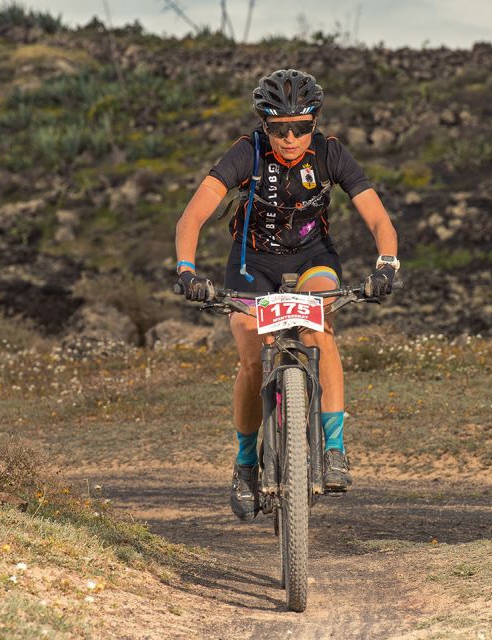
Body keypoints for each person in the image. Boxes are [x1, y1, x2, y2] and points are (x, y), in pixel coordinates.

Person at [173, 69, 399, 520]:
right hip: (251, 262)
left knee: (321, 329)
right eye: (279, 128)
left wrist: (386, 264)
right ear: (265, 126)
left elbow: (377, 218)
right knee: (251, 356)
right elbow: (191, 217)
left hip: (313, 257)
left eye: (301, 126)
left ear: (314, 124)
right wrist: (186, 270)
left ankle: (334, 448)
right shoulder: (247, 152)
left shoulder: (331, 153)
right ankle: (244, 464)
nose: (291, 137)